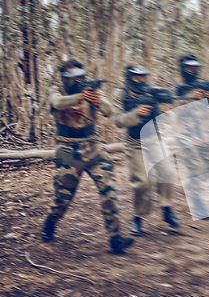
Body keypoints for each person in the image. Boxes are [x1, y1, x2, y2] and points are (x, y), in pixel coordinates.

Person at [40, 59, 134, 254]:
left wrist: (96, 99)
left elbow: (109, 111)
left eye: (80, 77)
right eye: (72, 78)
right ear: (64, 78)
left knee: (108, 189)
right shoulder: (56, 90)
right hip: (67, 149)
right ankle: (51, 220)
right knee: (63, 199)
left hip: (92, 147)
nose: (77, 80)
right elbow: (57, 103)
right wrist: (79, 97)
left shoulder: (90, 92)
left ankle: (115, 238)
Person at [113, 65, 180, 236]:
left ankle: (166, 209)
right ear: (129, 77)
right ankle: (138, 218)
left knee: (168, 172)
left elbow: (168, 121)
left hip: (155, 139)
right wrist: (137, 113)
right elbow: (118, 121)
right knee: (143, 182)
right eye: (136, 77)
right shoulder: (120, 94)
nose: (140, 80)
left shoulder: (153, 94)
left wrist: (167, 112)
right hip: (134, 142)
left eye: (142, 77)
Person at [174, 55, 209, 219]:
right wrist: (190, 98)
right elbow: (169, 109)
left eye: (196, 68)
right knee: (196, 170)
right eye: (190, 68)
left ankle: (194, 188)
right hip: (185, 136)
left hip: (206, 133)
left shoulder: (203, 84)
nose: (193, 71)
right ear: (183, 68)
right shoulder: (175, 88)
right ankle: (197, 203)